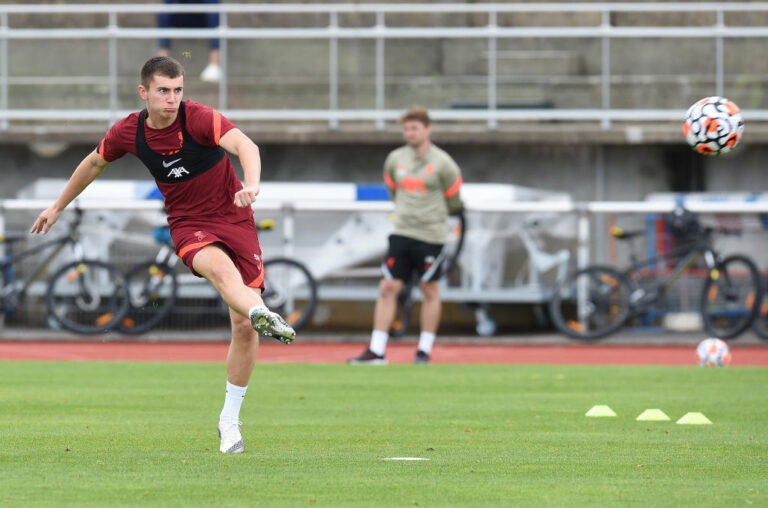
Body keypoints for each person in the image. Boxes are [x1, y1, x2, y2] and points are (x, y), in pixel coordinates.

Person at [30, 56, 295, 454]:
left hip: (236, 219)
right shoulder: (129, 131)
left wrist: (252, 184)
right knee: (222, 274)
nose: (172, 99)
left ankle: (229, 419)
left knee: (242, 327)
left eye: (178, 90)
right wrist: (57, 206)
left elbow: (245, 145)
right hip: (189, 224)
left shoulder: (199, 118)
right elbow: (94, 162)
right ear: (144, 92)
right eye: (163, 91)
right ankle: (263, 312)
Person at [348, 106, 463, 365]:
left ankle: (424, 349)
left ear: (427, 129)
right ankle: (377, 349)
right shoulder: (395, 159)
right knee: (388, 286)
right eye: (406, 128)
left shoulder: (443, 163)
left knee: (429, 288)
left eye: (414, 128)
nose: (410, 133)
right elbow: (393, 189)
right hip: (402, 231)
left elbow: (454, 199)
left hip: (431, 234)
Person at [158, 0, 222, 82]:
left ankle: (214, 64)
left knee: (214, 11)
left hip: (202, 18)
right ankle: (163, 65)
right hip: (181, 16)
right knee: (164, 12)